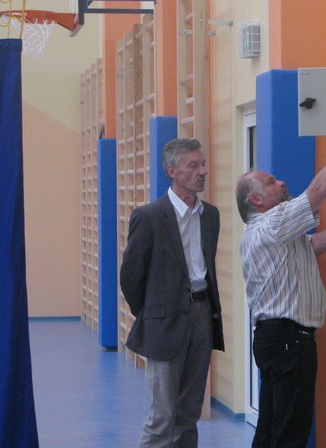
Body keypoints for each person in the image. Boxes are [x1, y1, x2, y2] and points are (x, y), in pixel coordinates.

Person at [120, 138, 224, 448]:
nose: (202, 171)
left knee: (189, 412)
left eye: (202, 164)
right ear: (172, 171)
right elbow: (131, 277)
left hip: (202, 315)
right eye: (193, 165)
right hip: (163, 321)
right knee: (163, 416)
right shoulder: (149, 216)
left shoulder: (210, 215)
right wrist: (153, 313)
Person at [235, 149, 326, 448]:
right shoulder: (272, 224)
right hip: (288, 341)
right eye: (271, 182)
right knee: (289, 434)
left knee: (272, 429)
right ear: (256, 200)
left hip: (276, 340)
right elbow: (319, 189)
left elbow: (313, 244)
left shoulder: (263, 233)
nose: (281, 183)